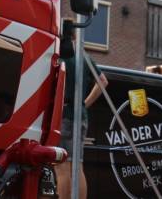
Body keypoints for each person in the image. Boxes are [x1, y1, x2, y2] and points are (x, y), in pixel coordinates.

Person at [55, 21, 108, 199]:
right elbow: (103, 81)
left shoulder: (58, 55)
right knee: (78, 166)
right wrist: (84, 103)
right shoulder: (83, 56)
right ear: (75, 35)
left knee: (61, 167)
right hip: (80, 116)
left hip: (64, 116)